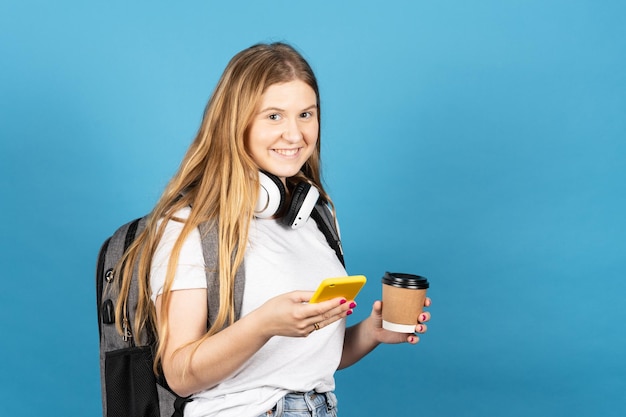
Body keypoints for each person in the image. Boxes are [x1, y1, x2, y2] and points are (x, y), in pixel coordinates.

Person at [115, 42, 431, 417]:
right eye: (274, 117)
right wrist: (263, 324)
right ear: (236, 123)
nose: (295, 135)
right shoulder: (190, 227)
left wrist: (371, 332)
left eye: (306, 114)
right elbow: (180, 373)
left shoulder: (317, 218)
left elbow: (300, 364)